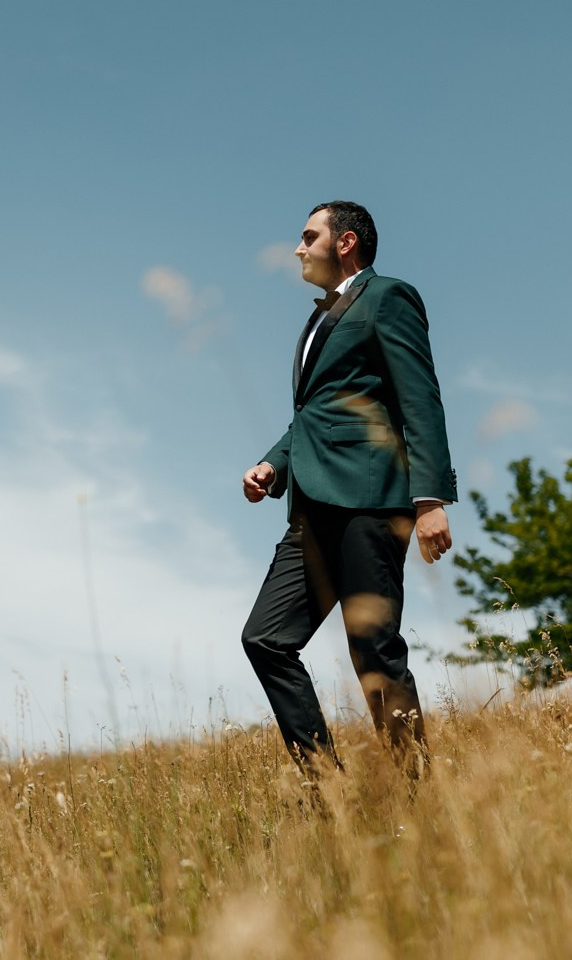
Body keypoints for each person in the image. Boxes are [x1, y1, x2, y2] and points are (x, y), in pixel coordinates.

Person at [240, 200, 457, 770]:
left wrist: (431, 498)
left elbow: (420, 398)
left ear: (346, 242)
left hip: (370, 501)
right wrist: (272, 465)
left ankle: (419, 797)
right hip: (311, 508)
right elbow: (312, 415)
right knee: (265, 639)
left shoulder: (388, 297)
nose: (297, 247)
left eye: (309, 235)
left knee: (375, 655)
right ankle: (327, 791)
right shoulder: (316, 321)